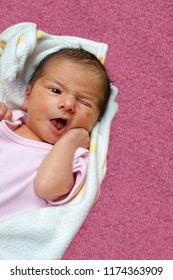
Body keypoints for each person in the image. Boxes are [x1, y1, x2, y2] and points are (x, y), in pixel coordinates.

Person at [0, 48, 111, 222]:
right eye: (56, 91)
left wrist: (71, 141)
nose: (68, 104)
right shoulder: (8, 122)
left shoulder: (73, 158)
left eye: (84, 102)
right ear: (27, 97)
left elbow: (47, 188)